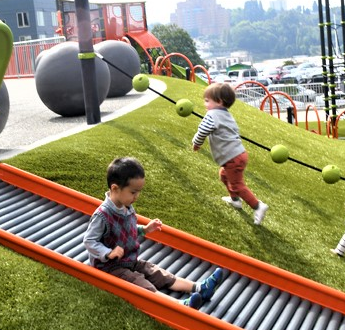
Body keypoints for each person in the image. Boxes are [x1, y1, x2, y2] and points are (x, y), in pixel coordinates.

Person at [83, 157, 224, 309]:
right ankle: (180, 305)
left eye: (139, 192)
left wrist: (144, 229)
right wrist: (108, 252)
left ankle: (199, 288)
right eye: (133, 192)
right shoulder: (102, 215)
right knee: (139, 282)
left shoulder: (127, 207)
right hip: (111, 267)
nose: (136, 197)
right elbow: (89, 241)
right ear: (115, 188)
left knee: (157, 272)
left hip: (130, 259)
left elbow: (126, 231)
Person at [192, 83, 269, 225]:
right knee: (223, 175)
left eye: (208, 100)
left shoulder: (212, 115)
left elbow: (202, 130)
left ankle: (257, 206)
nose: (205, 104)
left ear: (220, 101)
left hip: (232, 158)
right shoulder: (226, 115)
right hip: (238, 155)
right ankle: (235, 201)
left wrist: (196, 143)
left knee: (237, 185)